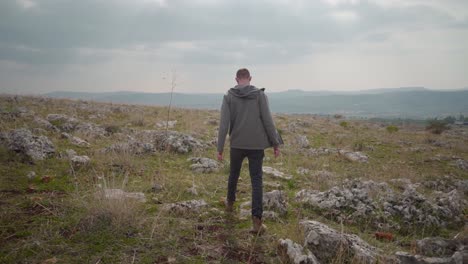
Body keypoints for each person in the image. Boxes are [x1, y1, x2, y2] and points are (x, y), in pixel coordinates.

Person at [217, 68, 281, 234]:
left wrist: (220, 148)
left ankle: (230, 204)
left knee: (234, 174)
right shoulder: (260, 96)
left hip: (237, 144)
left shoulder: (229, 96)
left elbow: (223, 125)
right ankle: (257, 222)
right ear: (250, 78)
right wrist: (275, 143)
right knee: (256, 181)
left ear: (236, 79)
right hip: (256, 145)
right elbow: (268, 121)